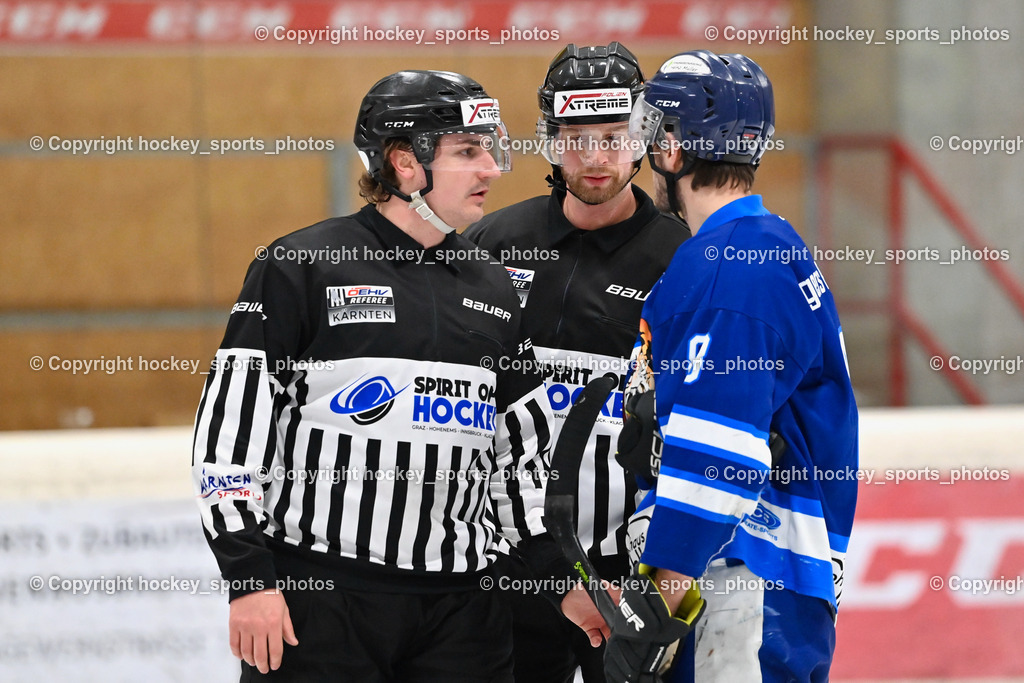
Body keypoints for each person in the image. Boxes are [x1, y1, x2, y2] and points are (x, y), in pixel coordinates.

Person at [192, 69, 606, 682]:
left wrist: (559, 580)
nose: (492, 168)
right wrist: (249, 581)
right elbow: (229, 439)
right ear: (405, 163)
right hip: (323, 606)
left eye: (491, 148)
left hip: (466, 617)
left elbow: (517, 465)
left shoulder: (495, 286)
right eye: (469, 151)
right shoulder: (300, 266)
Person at [603, 51, 859, 682]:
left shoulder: (730, 265)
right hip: (759, 577)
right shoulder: (767, 243)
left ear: (671, 147)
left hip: (741, 582)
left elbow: (722, 445)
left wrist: (662, 598)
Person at [464, 43, 690, 683]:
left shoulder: (685, 258)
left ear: (644, 132)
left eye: (614, 135)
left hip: (631, 577)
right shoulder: (490, 242)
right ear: (548, 140)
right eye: (576, 137)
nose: (594, 158)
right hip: (508, 560)